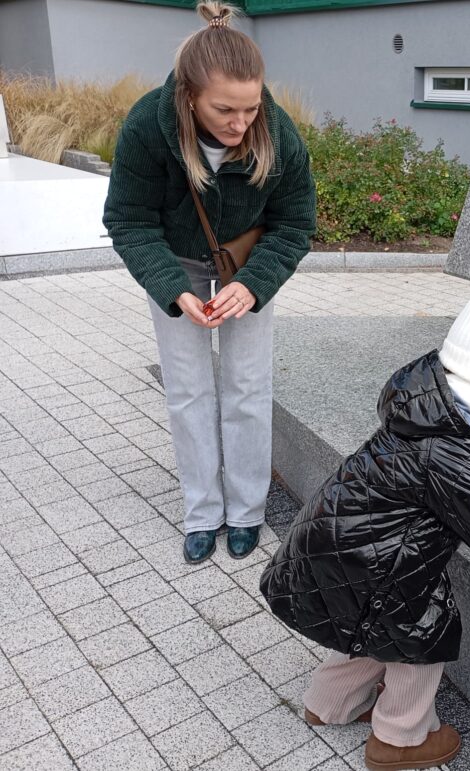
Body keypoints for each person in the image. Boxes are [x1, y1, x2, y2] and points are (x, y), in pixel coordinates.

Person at [260, 291, 470, 770]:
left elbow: (467, 489)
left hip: (345, 547)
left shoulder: (430, 409)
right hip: (377, 562)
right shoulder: (451, 442)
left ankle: (328, 704)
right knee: (420, 634)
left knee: (368, 627)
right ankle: (399, 739)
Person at [103, 1, 316, 564]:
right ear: (190, 95)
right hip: (175, 262)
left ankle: (246, 512)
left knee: (247, 387)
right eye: (225, 109)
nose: (241, 123)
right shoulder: (148, 126)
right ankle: (202, 513)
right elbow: (129, 220)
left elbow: (296, 222)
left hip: (247, 264)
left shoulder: (277, 132)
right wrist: (173, 288)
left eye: (251, 108)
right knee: (188, 390)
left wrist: (255, 283)